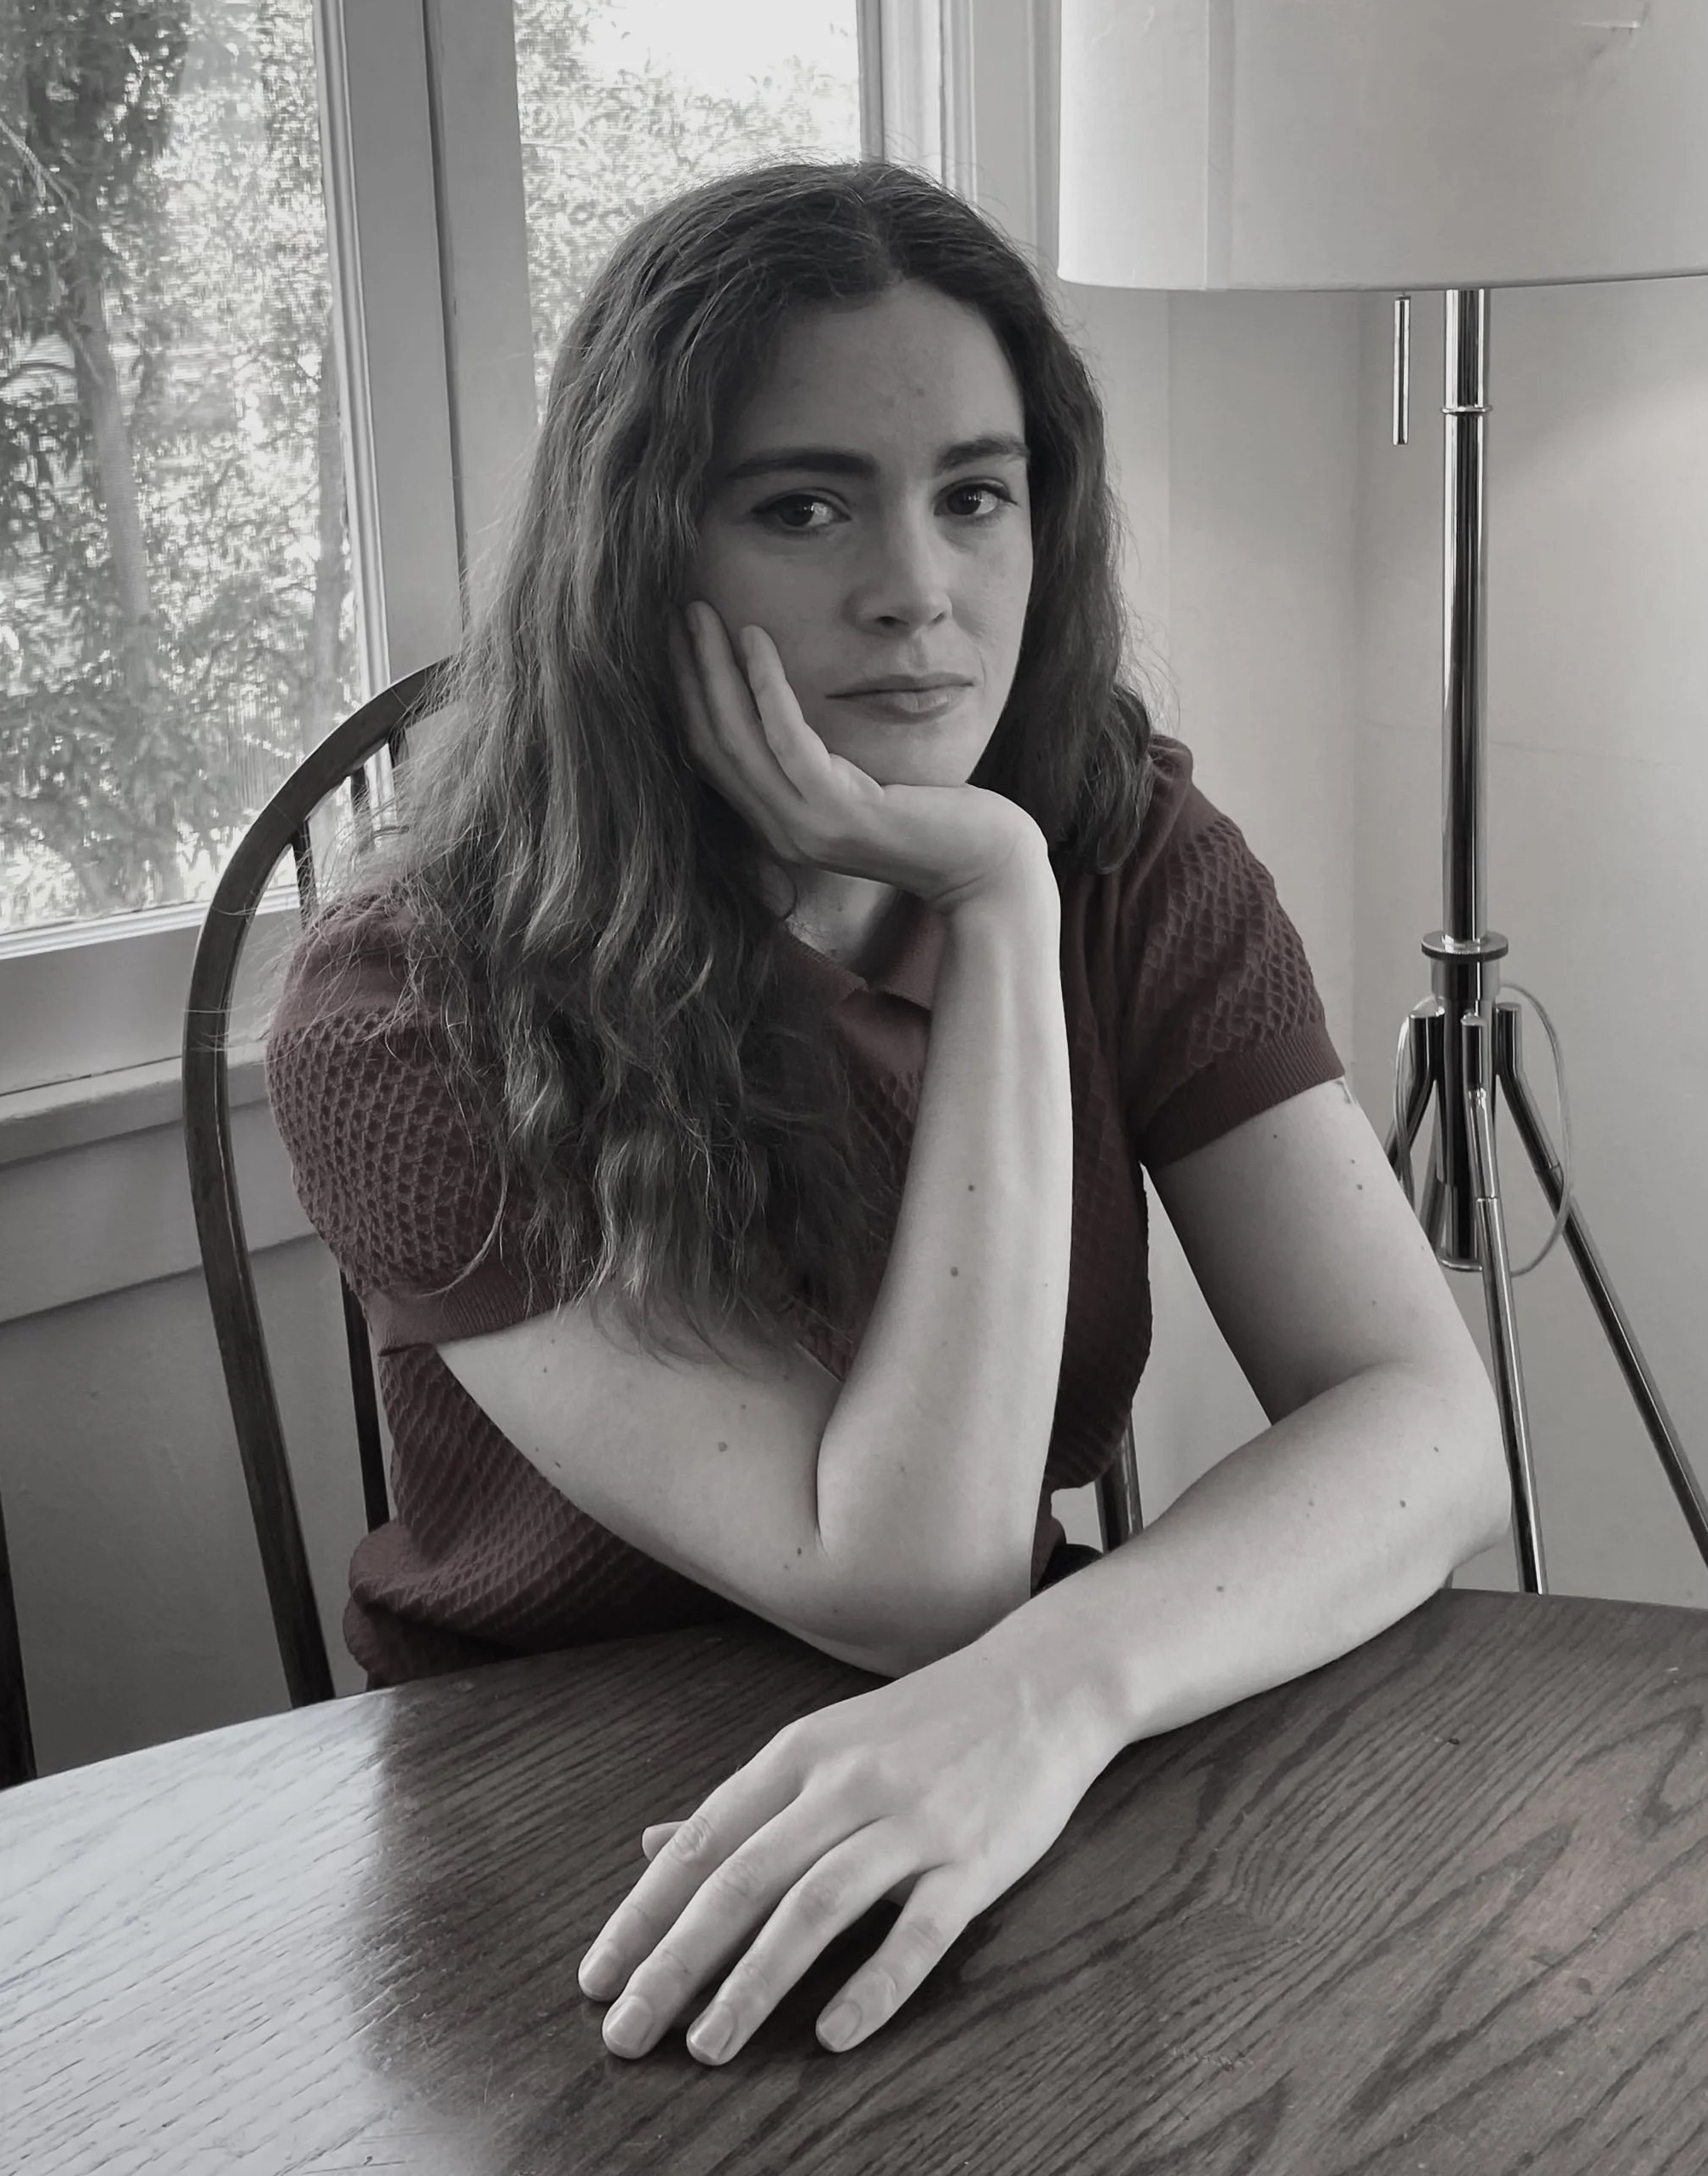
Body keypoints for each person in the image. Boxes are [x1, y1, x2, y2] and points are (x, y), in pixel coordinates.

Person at [264, 158, 1509, 2070]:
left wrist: (1062, 1685)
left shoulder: (1130, 851)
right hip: (563, 1849)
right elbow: (905, 1579)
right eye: (802, 503)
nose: (917, 594)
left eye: (975, 498)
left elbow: (1420, 1420)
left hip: (998, 1760)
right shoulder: (405, 1008)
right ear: (640, 549)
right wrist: (996, 908)